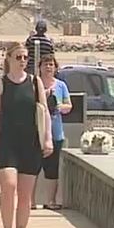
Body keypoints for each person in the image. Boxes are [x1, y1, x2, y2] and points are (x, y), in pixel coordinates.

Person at [0, 42, 53, 228]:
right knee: (8, 186)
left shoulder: (35, 82)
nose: (22, 61)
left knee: (25, 195)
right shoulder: (0, 85)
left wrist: (47, 138)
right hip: (7, 143)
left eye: (25, 57)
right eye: (18, 57)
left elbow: (44, 111)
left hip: (30, 144)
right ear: (8, 58)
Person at [35, 54, 72, 210]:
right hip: (36, 132)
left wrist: (59, 107)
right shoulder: (34, 84)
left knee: (52, 169)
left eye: (51, 64)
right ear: (40, 67)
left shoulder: (61, 85)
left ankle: (50, 200)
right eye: (45, 64)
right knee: (33, 168)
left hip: (56, 133)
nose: (48, 67)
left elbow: (68, 106)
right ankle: (30, 201)